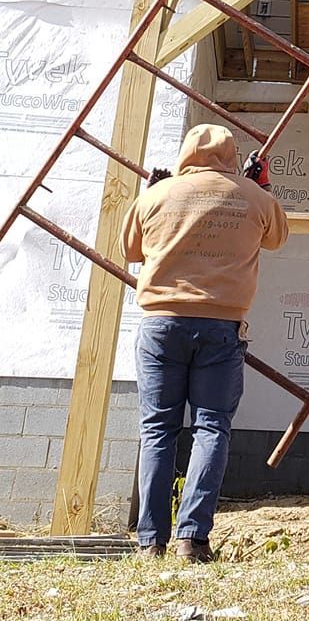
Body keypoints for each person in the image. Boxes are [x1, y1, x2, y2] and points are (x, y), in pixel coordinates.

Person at [120, 123, 288, 561]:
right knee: (211, 427)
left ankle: (150, 542)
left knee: (158, 430)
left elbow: (131, 250)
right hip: (220, 327)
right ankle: (192, 540)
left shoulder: (157, 195)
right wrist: (260, 186)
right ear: (232, 155)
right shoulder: (254, 198)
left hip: (161, 325)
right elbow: (277, 238)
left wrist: (153, 194)